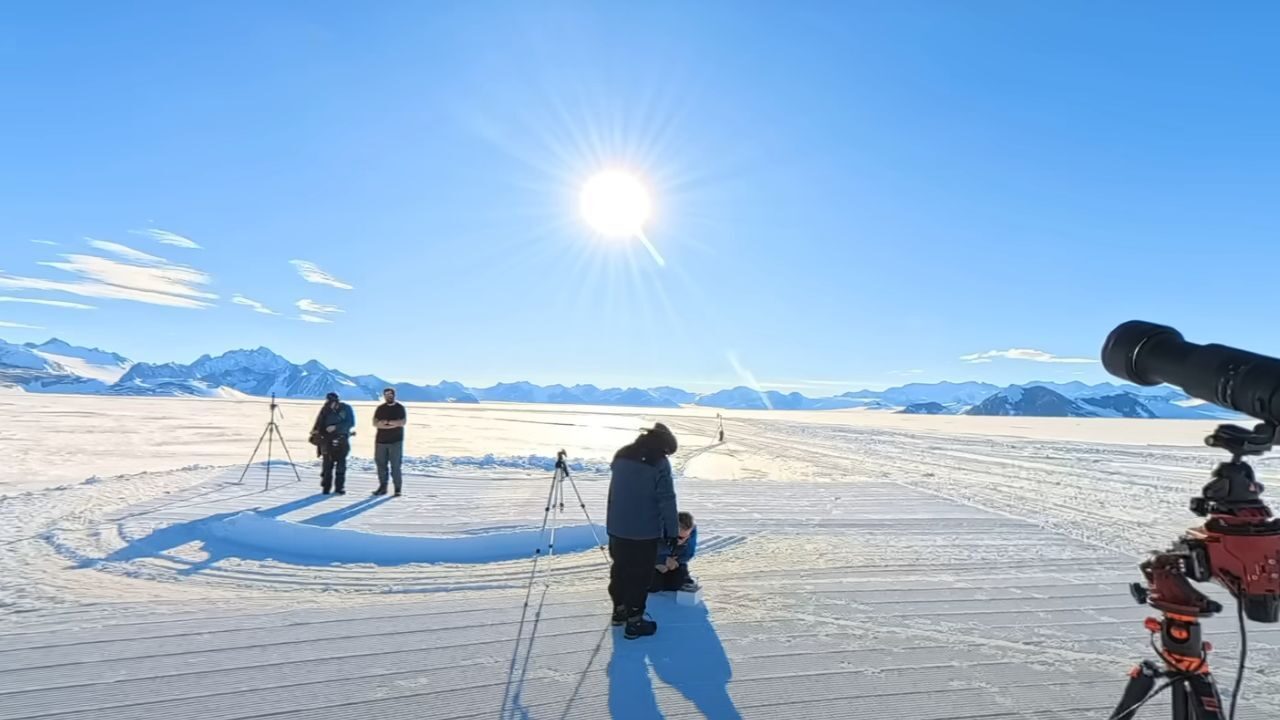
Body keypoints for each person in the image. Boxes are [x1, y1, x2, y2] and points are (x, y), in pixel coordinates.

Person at [606, 422, 679, 639]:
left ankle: (619, 611)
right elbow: (666, 499)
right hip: (644, 531)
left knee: (620, 569)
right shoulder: (659, 462)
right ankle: (635, 621)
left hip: (617, 526)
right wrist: (672, 531)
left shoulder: (622, 454)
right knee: (639, 575)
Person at [311, 392, 355, 495]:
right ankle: (326, 487)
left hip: (342, 439)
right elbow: (319, 423)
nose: (331, 403)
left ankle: (339, 488)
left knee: (341, 465)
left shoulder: (346, 408)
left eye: (333, 401)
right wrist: (316, 433)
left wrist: (336, 427)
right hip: (327, 440)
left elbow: (350, 423)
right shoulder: (325, 409)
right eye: (329, 401)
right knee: (327, 465)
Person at [650, 511, 698, 593]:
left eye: (683, 538)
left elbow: (688, 554)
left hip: (673, 560)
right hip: (650, 561)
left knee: (676, 583)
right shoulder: (655, 529)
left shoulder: (691, 532)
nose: (678, 541)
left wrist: (675, 562)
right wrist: (661, 560)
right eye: (677, 537)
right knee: (654, 586)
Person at [372, 387, 407, 496]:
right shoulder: (380, 408)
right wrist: (391, 424)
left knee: (395, 465)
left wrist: (386, 423)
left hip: (395, 441)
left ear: (394, 395)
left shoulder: (400, 408)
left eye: (390, 394)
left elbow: (402, 422)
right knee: (381, 465)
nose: (389, 396)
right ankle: (383, 487)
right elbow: (375, 423)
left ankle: (397, 488)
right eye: (386, 394)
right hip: (381, 441)